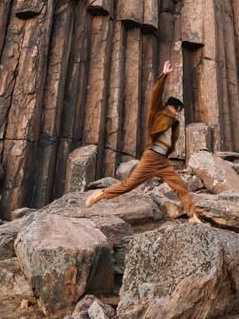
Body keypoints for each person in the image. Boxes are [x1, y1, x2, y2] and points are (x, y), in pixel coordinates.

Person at [86, 60, 202, 222]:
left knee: (180, 185)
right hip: (150, 157)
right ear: (171, 106)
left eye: (179, 111)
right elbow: (156, 92)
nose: (178, 113)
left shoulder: (175, 123)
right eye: (177, 109)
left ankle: (193, 216)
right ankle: (100, 195)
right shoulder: (157, 113)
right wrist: (164, 76)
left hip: (163, 161)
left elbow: (169, 142)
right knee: (128, 185)